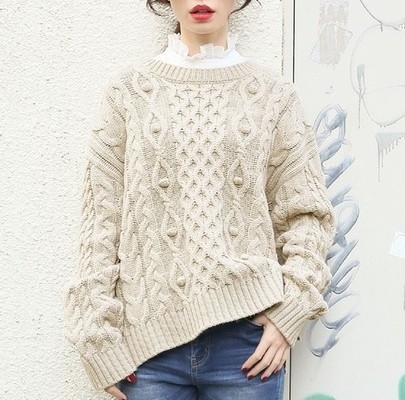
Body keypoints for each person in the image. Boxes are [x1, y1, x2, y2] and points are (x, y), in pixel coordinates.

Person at [64, 1, 336, 399]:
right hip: (147, 347)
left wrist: (290, 311)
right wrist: (96, 337)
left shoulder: (273, 94)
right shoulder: (128, 92)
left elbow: (308, 213)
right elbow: (100, 221)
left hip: (246, 342)